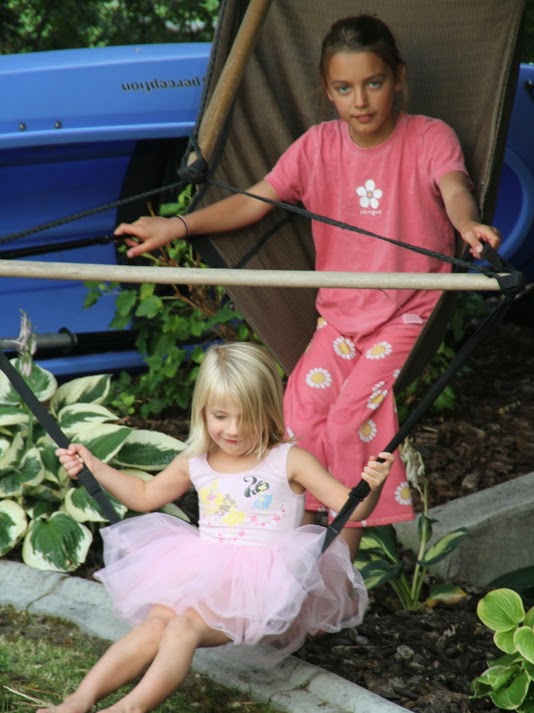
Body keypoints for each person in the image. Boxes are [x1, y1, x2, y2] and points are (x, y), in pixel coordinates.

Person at [113, 15, 501, 560]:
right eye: (344, 88)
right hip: (338, 318)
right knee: (296, 422)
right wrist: (177, 225)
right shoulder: (317, 146)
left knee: (347, 420)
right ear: (326, 89)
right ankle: (291, 550)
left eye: (373, 83)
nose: (360, 101)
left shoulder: (429, 137)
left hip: (407, 311)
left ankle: (339, 565)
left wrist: (467, 224)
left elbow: (454, 186)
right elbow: (253, 201)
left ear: (398, 78)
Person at [36, 342, 393, 713]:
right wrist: (94, 467)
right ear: (203, 412)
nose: (234, 430)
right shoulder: (196, 461)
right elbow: (144, 495)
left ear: (268, 412)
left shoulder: (289, 460)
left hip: (257, 584)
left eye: (247, 417)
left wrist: (372, 486)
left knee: (183, 628)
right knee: (156, 624)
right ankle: (77, 700)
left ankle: (129, 712)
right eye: (221, 416)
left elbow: (351, 509)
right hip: (202, 570)